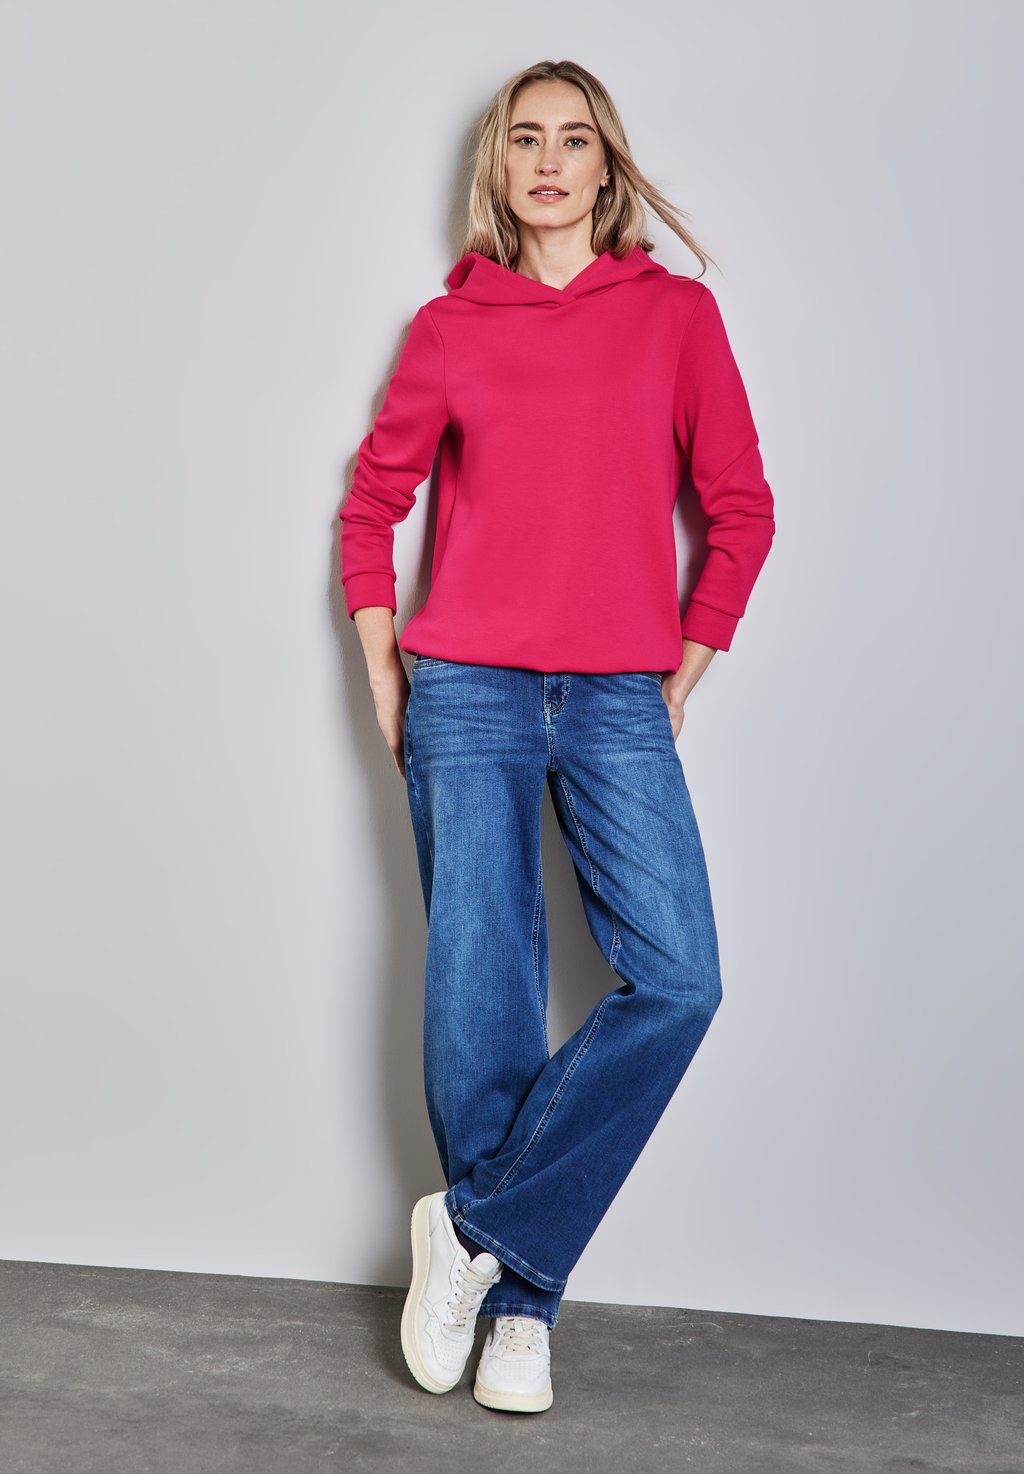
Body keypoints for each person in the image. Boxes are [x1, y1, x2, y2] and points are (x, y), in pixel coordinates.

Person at [337, 58, 776, 1415]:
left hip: (615, 692)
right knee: (484, 989)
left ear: (606, 165)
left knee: (680, 978)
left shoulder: (675, 318)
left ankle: (478, 1239)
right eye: (524, 139)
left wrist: (685, 668)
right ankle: (520, 1315)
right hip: (465, 684)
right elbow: (372, 503)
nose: (547, 162)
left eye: (573, 140)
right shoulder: (450, 327)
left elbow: (742, 506)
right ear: (500, 166)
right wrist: (386, 673)